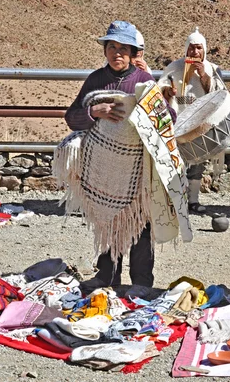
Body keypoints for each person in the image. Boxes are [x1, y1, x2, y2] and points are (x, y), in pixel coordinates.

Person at [65, 20, 165, 298]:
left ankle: (142, 281)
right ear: (105, 50)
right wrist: (94, 111)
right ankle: (106, 276)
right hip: (103, 167)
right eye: (112, 47)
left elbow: (168, 119)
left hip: (137, 168)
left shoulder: (144, 81)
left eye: (123, 48)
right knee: (107, 220)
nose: (117, 53)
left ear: (134, 53)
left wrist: (150, 108)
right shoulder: (96, 80)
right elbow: (72, 118)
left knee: (140, 223)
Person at [158, 27, 225, 213]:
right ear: (186, 49)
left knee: (197, 163)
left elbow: (219, 94)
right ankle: (176, 199)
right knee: (175, 162)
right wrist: (167, 93)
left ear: (204, 49)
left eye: (198, 48)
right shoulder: (175, 67)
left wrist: (203, 75)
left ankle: (194, 200)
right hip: (178, 122)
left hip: (200, 123)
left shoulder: (212, 69)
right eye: (191, 48)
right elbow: (160, 88)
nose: (195, 52)